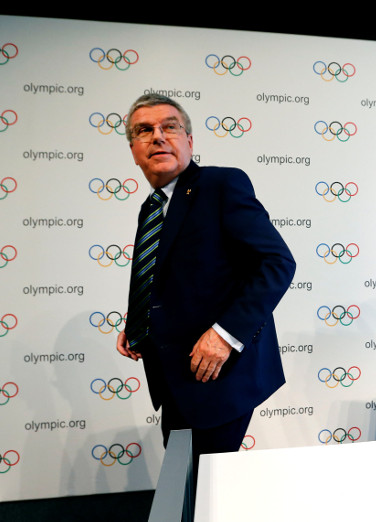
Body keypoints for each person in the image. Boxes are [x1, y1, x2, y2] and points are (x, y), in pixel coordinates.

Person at [115, 93, 295, 469]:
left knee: (202, 486)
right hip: (173, 377)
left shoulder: (220, 185)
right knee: (185, 480)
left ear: (190, 142)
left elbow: (277, 263)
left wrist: (224, 334)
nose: (158, 136)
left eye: (170, 127)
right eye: (144, 131)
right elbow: (171, 273)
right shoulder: (152, 206)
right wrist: (137, 320)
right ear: (133, 149)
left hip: (217, 378)